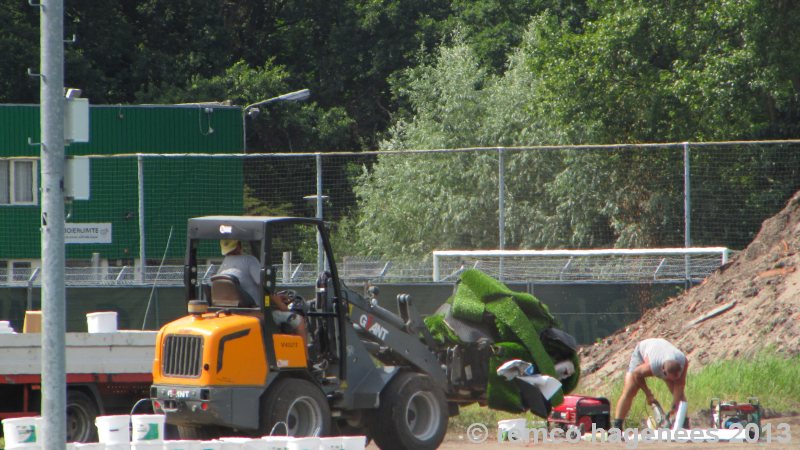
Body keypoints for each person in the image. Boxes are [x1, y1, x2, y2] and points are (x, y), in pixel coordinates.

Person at [613, 338, 689, 428]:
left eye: (677, 377)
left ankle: (683, 423)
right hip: (642, 351)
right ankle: (617, 427)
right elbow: (636, 374)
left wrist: (673, 408)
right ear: (663, 373)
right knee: (630, 390)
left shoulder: (683, 361)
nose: (675, 380)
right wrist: (649, 395)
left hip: (662, 350)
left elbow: (679, 387)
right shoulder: (653, 366)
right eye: (671, 378)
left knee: (679, 395)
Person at [217, 239, 261, 305]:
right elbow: (265, 285)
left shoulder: (223, 265)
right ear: (239, 245)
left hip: (226, 310)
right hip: (252, 310)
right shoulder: (249, 260)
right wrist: (281, 305)